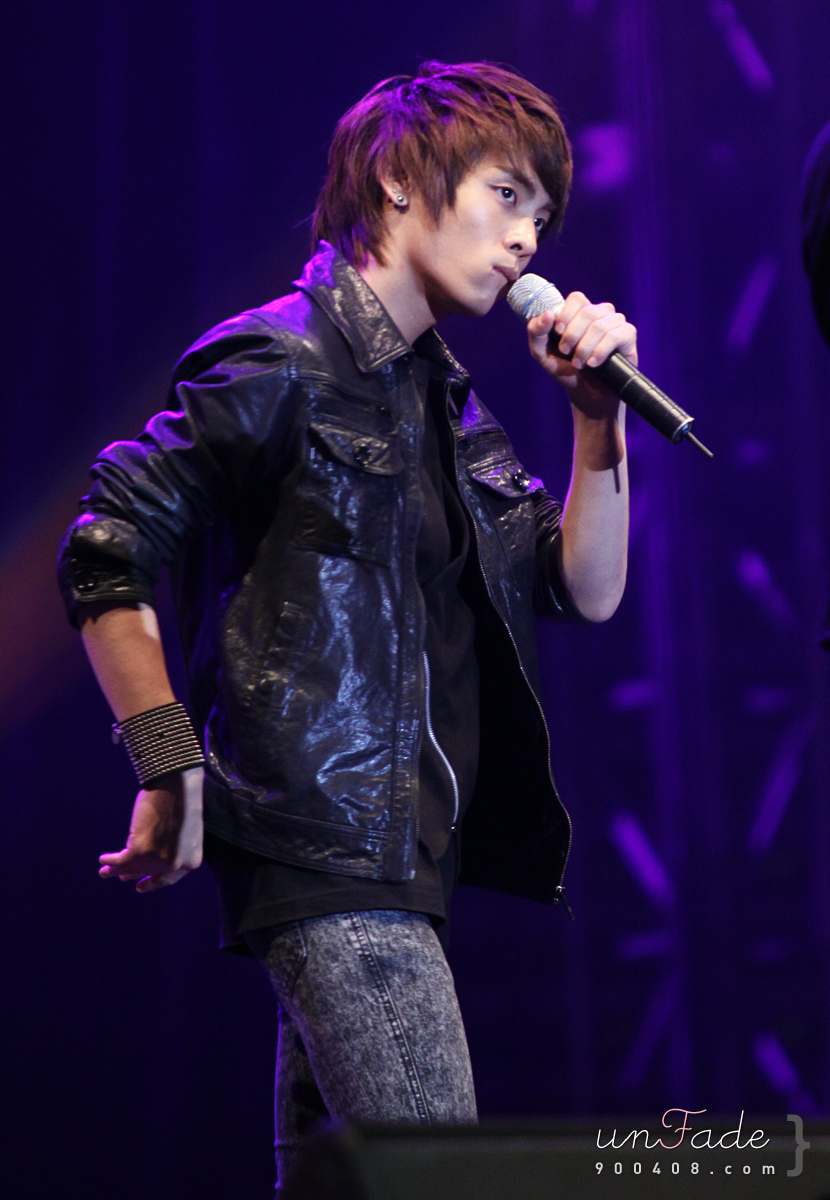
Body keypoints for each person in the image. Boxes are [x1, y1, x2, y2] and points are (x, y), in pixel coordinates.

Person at [57, 61, 635, 1190]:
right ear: (398, 178)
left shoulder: (441, 400)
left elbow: (583, 586)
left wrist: (595, 421)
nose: (529, 237)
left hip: (405, 865)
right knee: (442, 1177)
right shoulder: (280, 360)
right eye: (506, 194)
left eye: (542, 214)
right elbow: (105, 547)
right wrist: (168, 765)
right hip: (324, 857)